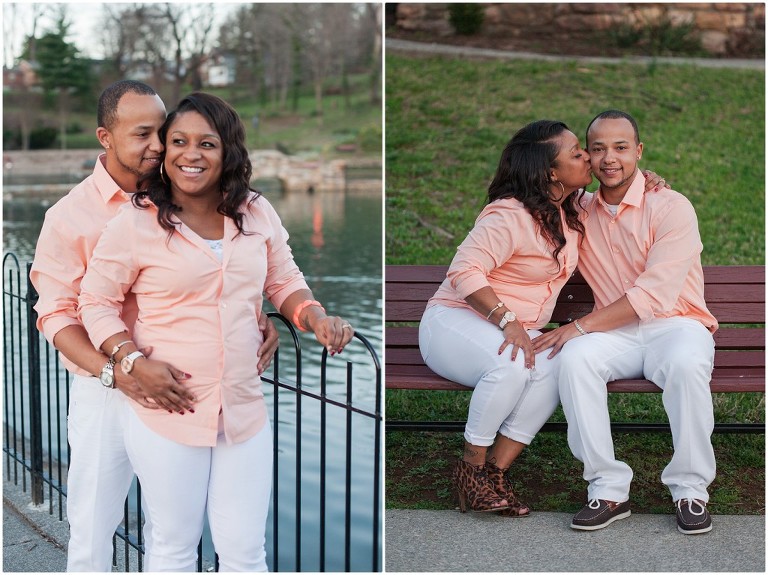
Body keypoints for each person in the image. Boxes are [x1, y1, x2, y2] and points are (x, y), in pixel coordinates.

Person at [78, 92, 355, 571]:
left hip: (243, 410)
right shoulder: (135, 222)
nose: (192, 154)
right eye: (179, 141)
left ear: (227, 150)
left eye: (207, 143)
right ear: (165, 152)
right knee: (173, 547)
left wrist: (315, 318)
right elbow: (95, 303)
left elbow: (284, 280)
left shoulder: (256, 212)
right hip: (169, 407)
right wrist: (132, 361)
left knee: (246, 552)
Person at [29, 80, 279, 571]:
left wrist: (253, 312)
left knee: (169, 531)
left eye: (162, 132)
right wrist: (120, 370)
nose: (159, 145)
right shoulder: (69, 216)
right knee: (93, 526)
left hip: (185, 388)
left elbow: (219, 272)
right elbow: (57, 314)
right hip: (107, 387)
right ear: (106, 136)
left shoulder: (188, 195)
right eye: (143, 134)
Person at [532, 110, 717, 535]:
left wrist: (577, 326)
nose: (609, 158)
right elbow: (526, 189)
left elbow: (653, 295)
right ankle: (608, 487)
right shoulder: (576, 209)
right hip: (615, 332)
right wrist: (580, 333)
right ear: (587, 158)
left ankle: (690, 490)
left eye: (620, 147)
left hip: (677, 325)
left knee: (688, 366)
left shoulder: (670, 206)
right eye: (597, 149)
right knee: (575, 360)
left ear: (639, 151)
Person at [418, 120, 593, 515]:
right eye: (576, 152)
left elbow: (621, 196)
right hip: (454, 321)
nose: (586, 157)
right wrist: (507, 320)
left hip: (514, 328)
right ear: (551, 171)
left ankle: (495, 473)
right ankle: (470, 468)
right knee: (512, 364)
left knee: (558, 362)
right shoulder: (508, 215)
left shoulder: (570, 209)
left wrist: (647, 180)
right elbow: (464, 272)